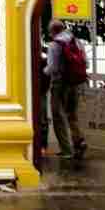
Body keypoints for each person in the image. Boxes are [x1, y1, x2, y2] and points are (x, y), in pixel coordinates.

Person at [43, 18, 87, 159]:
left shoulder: (54, 45)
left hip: (60, 84)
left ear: (53, 31)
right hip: (76, 82)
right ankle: (79, 141)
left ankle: (67, 150)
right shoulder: (77, 42)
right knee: (72, 115)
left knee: (58, 116)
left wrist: (42, 71)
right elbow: (86, 62)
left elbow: (52, 68)